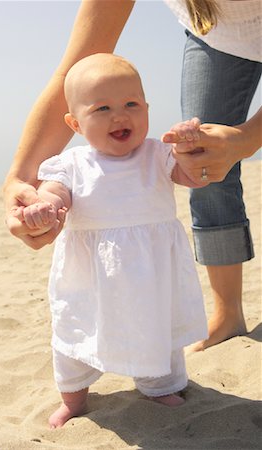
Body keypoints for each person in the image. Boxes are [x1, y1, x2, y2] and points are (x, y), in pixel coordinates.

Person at [4, 0, 262, 351]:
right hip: (215, 31)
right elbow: (74, 73)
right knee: (205, 154)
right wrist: (20, 177)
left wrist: (247, 139)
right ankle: (228, 312)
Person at [11, 53, 208, 428]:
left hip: (151, 273)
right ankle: (74, 397)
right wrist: (44, 208)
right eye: (102, 107)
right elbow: (56, 193)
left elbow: (194, 176)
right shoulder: (71, 163)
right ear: (75, 123)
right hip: (90, 277)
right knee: (77, 329)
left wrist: (189, 145)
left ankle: (158, 385)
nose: (120, 116)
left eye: (132, 104)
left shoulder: (158, 153)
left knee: (156, 327)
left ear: (147, 107)